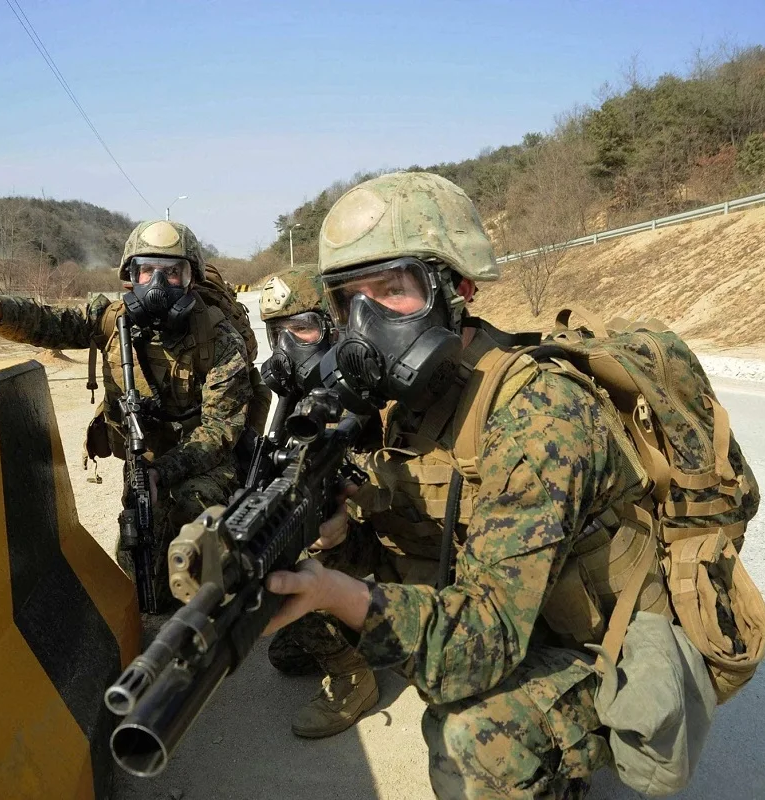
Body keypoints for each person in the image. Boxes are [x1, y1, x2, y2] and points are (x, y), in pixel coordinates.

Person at [261, 171, 654, 798]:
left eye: (392, 290)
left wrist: (335, 591)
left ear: (457, 287)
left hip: (593, 638)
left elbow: (485, 643)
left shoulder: (537, 412)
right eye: (348, 300)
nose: (366, 323)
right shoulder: (401, 401)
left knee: (473, 739)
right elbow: (413, 543)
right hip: (510, 598)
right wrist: (337, 537)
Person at [0, 220, 257, 609]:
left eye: (173, 272)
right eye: (147, 270)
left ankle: (216, 616)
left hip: (204, 459)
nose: (158, 283)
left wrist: (165, 472)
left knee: (195, 514)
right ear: (130, 276)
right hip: (146, 455)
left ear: (191, 278)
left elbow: (221, 428)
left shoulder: (219, 337)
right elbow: (49, 323)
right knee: (138, 557)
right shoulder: (112, 319)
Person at [258, 263, 381, 738]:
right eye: (278, 333)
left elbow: (404, 471)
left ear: (334, 327)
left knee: (290, 570)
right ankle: (368, 621)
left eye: (303, 328)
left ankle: (355, 676)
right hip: (339, 523)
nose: (290, 345)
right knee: (283, 653)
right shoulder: (295, 391)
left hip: (388, 531)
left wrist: (349, 512)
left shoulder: (368, 377)